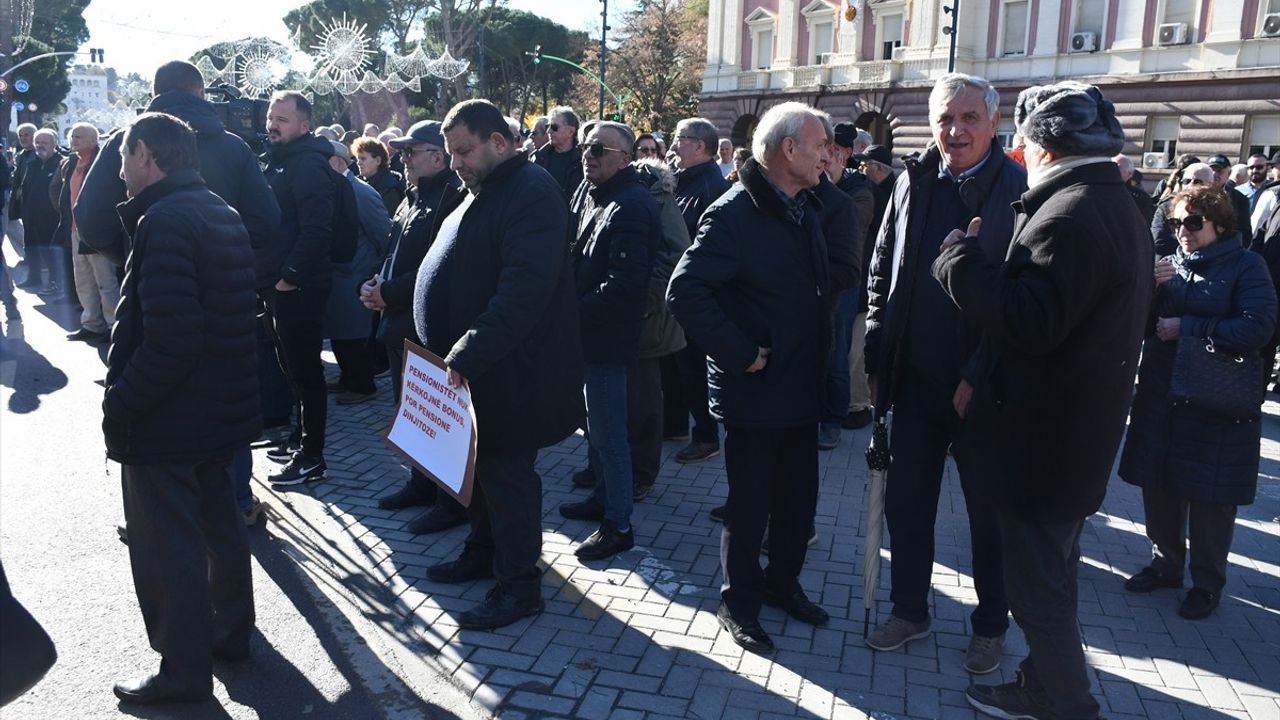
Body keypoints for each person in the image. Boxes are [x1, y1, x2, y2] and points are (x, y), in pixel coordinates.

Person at [932, 81, 1152, 720]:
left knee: (1037, 591)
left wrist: (959, 262)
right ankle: (1041, 682)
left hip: (1046, 445)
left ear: (1039, 145)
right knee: (1052, 576)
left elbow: (1030, 322)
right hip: (1072, 438)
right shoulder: (1109, 202)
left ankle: (1068, 704)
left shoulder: (1073, 212)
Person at [863, 72, 1025, 674]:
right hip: (914, 379)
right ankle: (910, 609)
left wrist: (977, 373)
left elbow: (1019, 298)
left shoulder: (1017, 187)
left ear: (992, 121)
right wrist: (877, 354)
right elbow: (884, 268)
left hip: (981, 391)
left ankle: (990, 626)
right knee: (908, 505)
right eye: (944, 119)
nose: (955, 130)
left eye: (968, 118)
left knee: (989, 516)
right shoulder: (914, 178)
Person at [74, 60, 283, 526]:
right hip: (227, 302)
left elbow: (90, 222)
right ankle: (235, 504)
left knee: (159, 391)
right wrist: (239, 273)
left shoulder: (127, 143)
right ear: (201, 93)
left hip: (155, 296)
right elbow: (267, 223)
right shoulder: (232, 147)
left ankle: (166, 517)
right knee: (221, 402)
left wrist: (131, 254)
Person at [668, 102, 833, 655]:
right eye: (819, 146)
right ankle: (739, 603)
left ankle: (782, 586)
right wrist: (741, 353)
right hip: (756, 391)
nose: (826, 156)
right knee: (751, 505)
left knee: (797, 503)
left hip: (799, 386)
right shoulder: (734, 212)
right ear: (789, 151)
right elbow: (685, 291)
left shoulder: (802, 205)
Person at [107, 112, 258, 705]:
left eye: (122, 158)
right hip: (216, 410)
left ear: (146, 154)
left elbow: (171, 338)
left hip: (172, 416)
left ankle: (184, 670)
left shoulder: (166, 218)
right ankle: (228, 634)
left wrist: (121, 403)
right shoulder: (218, 209)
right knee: (220, 529)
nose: (119, 173)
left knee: (169, 546)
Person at [421, 100, 583, 630]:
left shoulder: (531, 193)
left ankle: (519, 587)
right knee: (481, 471)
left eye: (464, 151)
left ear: (499, 140)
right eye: (451, 154)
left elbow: (523, 291)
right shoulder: (488, 189)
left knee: (509, 478)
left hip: (513, 372)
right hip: (480, 369)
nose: (457, 163)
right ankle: (483, 551)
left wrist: (468, 352)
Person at [1119, 185, 1276, 620]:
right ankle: (1166, 564)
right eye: (1175, 223)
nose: (1182, 232)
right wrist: (1148, 287)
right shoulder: (1169, 266)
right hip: (1162, 391)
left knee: (1210, 496)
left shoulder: (1247, 266)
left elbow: (1258, 327)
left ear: (1220, 225)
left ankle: (1207, 583)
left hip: (1215, 399)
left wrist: (1189, 326)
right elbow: (1140, 324)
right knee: (1160, 481)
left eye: (1192, 222)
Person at [557, 122, 660, 561]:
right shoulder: (592, 193)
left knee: (610, 434)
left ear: (625, 156)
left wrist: (569, 313)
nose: (588, 154)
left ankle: (618, 524)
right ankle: (601, 498)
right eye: (584, 146)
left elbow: (625, 285)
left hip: (606, 339)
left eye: (598, 148)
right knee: (595, 429)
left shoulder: (632, 204)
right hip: (587, 335)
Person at [364, 120, 469, 535]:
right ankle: (421, 484)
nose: (402, 159)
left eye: (411, 152)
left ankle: (449, 502)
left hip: (427, 325)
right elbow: (393, 252)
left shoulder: (451, 198)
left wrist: (387, 292)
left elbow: (439, 269)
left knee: (437, 418)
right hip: (396, 320)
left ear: (438, 156)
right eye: (401, 152)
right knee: (411, 412)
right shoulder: (413, 196)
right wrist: (376, 284)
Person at [260, 91, 337, 487]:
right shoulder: (282, 160)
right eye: (271, 117)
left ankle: (312, 457)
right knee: (292, 370)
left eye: (283, 119)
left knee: (306, 373)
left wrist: (288, 277)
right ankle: (298, 440)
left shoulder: (307, 164)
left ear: (304, 125)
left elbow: (317, 230)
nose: (273, 124)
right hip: (281, 286)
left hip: (299, 287)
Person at [669, 117, 732, 465]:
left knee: (694, 368)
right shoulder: (684, 180)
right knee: (681, 366)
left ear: (701, 146)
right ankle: (683, 426)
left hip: (699, 295)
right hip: (684, 291)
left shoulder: (711, 186)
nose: (676, 145)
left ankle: (706, 436)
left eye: (682, 138)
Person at [813, 112, 864, 453]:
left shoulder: (856, 192)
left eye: (829, 150)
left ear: (842, 154)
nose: (824, 156)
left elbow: (849, 251)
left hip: (841, 287)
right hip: (813, 289)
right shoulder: (810, 188)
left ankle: (833, 420)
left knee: (836, 351)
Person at [323, 140, 388, 405]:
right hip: (340, 275)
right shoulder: (337, 188)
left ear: (337, 161)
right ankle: (348, 378)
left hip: (356, 274)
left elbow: (382, 234)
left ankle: (363, 385)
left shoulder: (360, 192)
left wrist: (373, 272)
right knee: (340, 333)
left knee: (355, 334)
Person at [51, 123, 118, 343]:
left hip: (96, 230)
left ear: (92, 139)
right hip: (75, 229)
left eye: (78, 136)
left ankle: (114, 327)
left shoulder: (103, 162)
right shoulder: (71, 163)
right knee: (83, 279)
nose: (73, 140)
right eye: (72, 136)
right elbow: (62, 194)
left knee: (105, 280)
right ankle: (91, 324)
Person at [844, 144, 896, 430]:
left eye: (865, 166)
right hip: (869, 278)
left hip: (872, 281)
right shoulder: (882, 191)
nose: (862, 171)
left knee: (859, 346)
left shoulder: (884, 194)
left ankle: (860, 405)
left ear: (878, 168)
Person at [16, 130, 65, 297]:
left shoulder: (60, 162)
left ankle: (55, 282)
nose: (40, 145)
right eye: (38, 142)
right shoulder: (33, 162)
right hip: (31, 217)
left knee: (50, 252)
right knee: (31, 249)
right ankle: (34, 277)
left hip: (51, 217)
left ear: (54, 144)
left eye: (45, 142)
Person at [1153, 162, 1214, 256]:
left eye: (1197, 181)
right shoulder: (1166, 207)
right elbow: (1158, 241)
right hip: (1170, 265)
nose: (1190, 185)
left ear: (1210, 185)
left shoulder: (1216, 209)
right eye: (1186, 181)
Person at [531, 106, 583, 199]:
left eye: (554, 127)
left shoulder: (583, 160)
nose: (548, 131)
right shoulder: (538, 158)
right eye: (548, 126)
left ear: (570, 131)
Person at [351, 136, 404, 217]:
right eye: (358, 159)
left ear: (378, 160)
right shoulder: (357, 184)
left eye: (363, 159)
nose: (358, 163)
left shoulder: (390, 190)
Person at [1208, 153, 1253, 241]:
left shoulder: (1240, 199)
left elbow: (1245, 233)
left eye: (1219, 171)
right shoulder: (1197, 194)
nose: (1214, 174)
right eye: (1211, 170)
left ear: (1229, 173)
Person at [1114, 153, 1156, 226]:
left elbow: (1145, 225)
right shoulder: (1096, 191)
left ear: (1129, 174)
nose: (1112, 170)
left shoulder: (1140, 197)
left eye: (1117, 167)